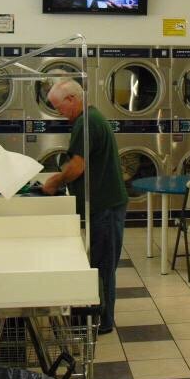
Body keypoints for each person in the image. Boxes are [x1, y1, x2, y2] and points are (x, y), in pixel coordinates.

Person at [42, 79, 128, 334]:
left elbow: (77, 166)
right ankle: (97, 318)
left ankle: (102, 322)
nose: (59, 113)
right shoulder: (90, 118)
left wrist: (53, 182)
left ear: (72, 99)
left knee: (102, 266)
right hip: (105, 204)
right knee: (100, 264)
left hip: (105, 206)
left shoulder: (86, 122)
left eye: (59, 107)